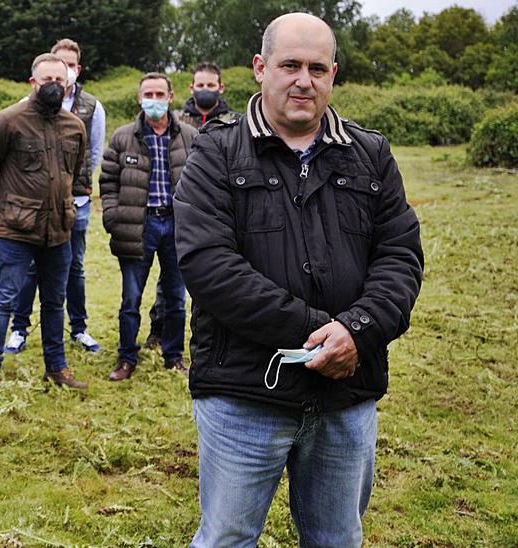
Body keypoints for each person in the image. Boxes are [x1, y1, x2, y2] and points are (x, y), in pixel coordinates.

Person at [176, 13, 423, 546]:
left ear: (333, 74)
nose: (303, 81)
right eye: (290, 65)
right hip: (244, 393)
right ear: (261, 68)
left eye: (317, 68)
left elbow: (400, 256)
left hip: (346, 395)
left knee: (337, 539)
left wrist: (356, 331)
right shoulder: (215, 152)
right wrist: (320, 334)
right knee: (227, 538)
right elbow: (209, 266)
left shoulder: (371, 154)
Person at [0, 53, 89, 391]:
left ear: (68, 82)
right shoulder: (8, 121)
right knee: (4, 299)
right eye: (46, 80)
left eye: (59, 80)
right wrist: (7, 207)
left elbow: (76, 170)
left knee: (55, 301)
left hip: (59, 231)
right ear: (32, 83)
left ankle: (57, 368)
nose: (53, 86)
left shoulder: (75, 126)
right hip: (16, 231)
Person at [4, 38, 107, 356]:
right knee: (32, 268)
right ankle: (19, 329)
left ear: (76, 69)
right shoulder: (25, 105)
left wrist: (68, 187)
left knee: (74, 266)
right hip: (34, 205)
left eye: (71, 66)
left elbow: (92, 155)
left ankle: (79, 328)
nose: (65, 72)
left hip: (75, 202)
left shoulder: (92, 106)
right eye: (59, 64)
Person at [99, 72, 197, 382]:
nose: (153, 100)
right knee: (131, 298)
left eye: (159, 94)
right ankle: (127, 358)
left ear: (171, 97)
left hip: (176, 225)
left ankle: (173, 356)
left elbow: (202, 182)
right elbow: (108, 181)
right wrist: (113, 216)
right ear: (139, 98)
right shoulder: (123, 136)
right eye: (148, 95)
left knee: (175, 298)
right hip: (138, 225)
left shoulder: (190, 137)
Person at [143, 62, 240, 350]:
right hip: (180, 207)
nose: (205, 90)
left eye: (211, 86)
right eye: (201, 85)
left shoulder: (233, 122)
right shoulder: (177, 119)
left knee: (216, 273)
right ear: (191, 87)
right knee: (171, 280)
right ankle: (158, 330)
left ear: (220, 88)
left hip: (219, 208)